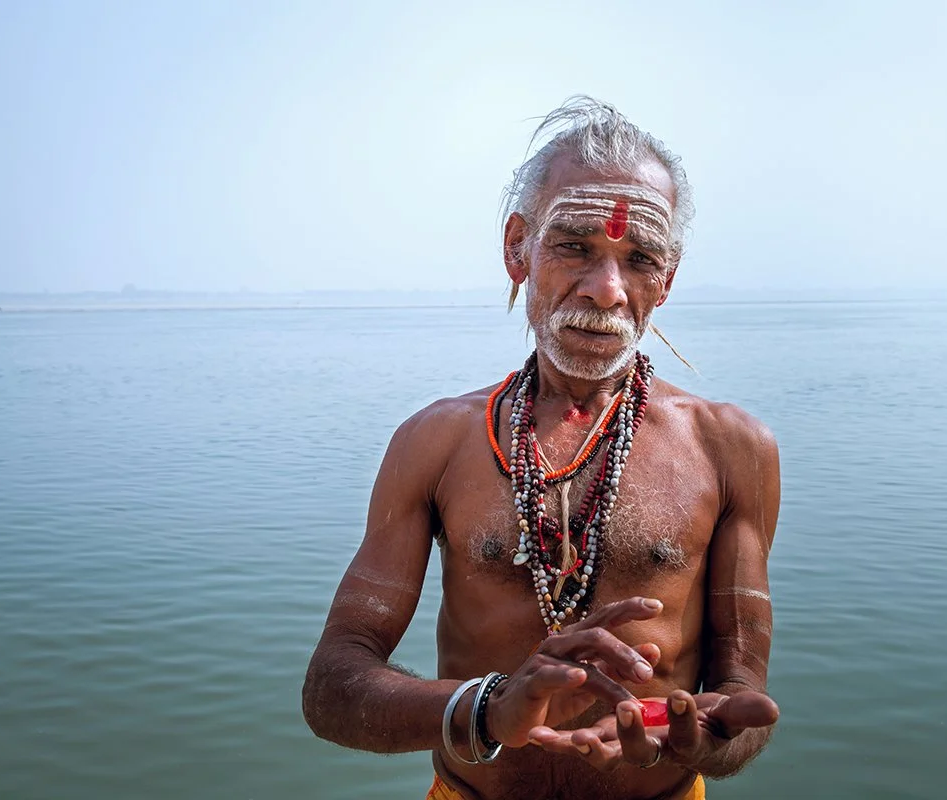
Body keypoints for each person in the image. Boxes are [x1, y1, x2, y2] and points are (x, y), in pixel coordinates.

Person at [302, 96, 782, 800]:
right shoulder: (435, 442)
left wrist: (711, 734)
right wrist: (488, 709)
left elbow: (742, 700)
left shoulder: (732, 449)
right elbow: (333, 687)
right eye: (576, 245)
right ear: (517, 248)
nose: (608, 290)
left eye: (640, 258)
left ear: (667, 280)